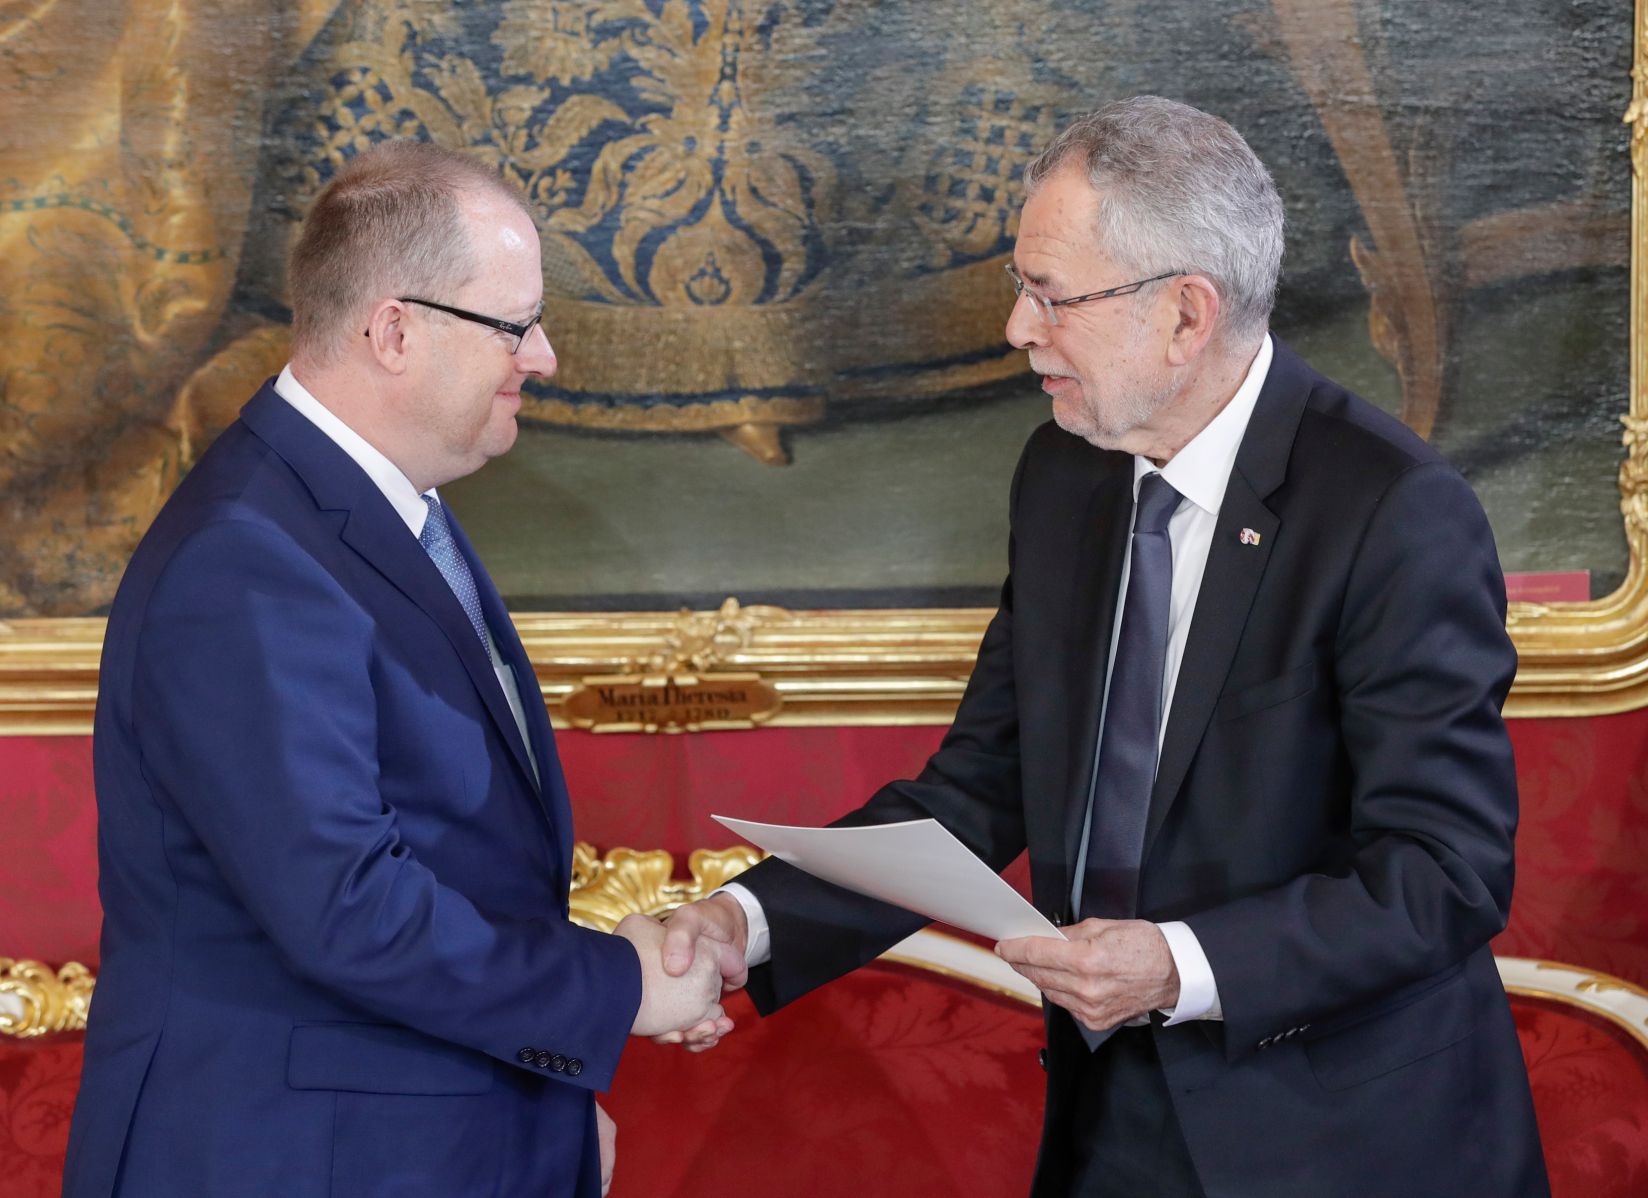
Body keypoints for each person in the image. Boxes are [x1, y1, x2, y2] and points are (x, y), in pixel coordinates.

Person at [659, 96, 1550, 1196]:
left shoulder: (1391, 509)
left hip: (1338, 1137)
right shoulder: (1064, 475)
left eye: (1050, 295)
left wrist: (1176, 964)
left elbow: (1442, 872)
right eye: (1019, 288)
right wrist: (737, 922)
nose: (1016, 329)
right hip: (1110, 1122)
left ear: (1184, 313)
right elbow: (977, 788)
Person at [63, 140, 734, 1198]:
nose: (544, 354)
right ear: (392, 330)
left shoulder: (381, 510)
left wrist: (547, 1102)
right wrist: (613, 989)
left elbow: (456, 859)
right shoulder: (249, 556)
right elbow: (343, 903)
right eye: (514, 324)